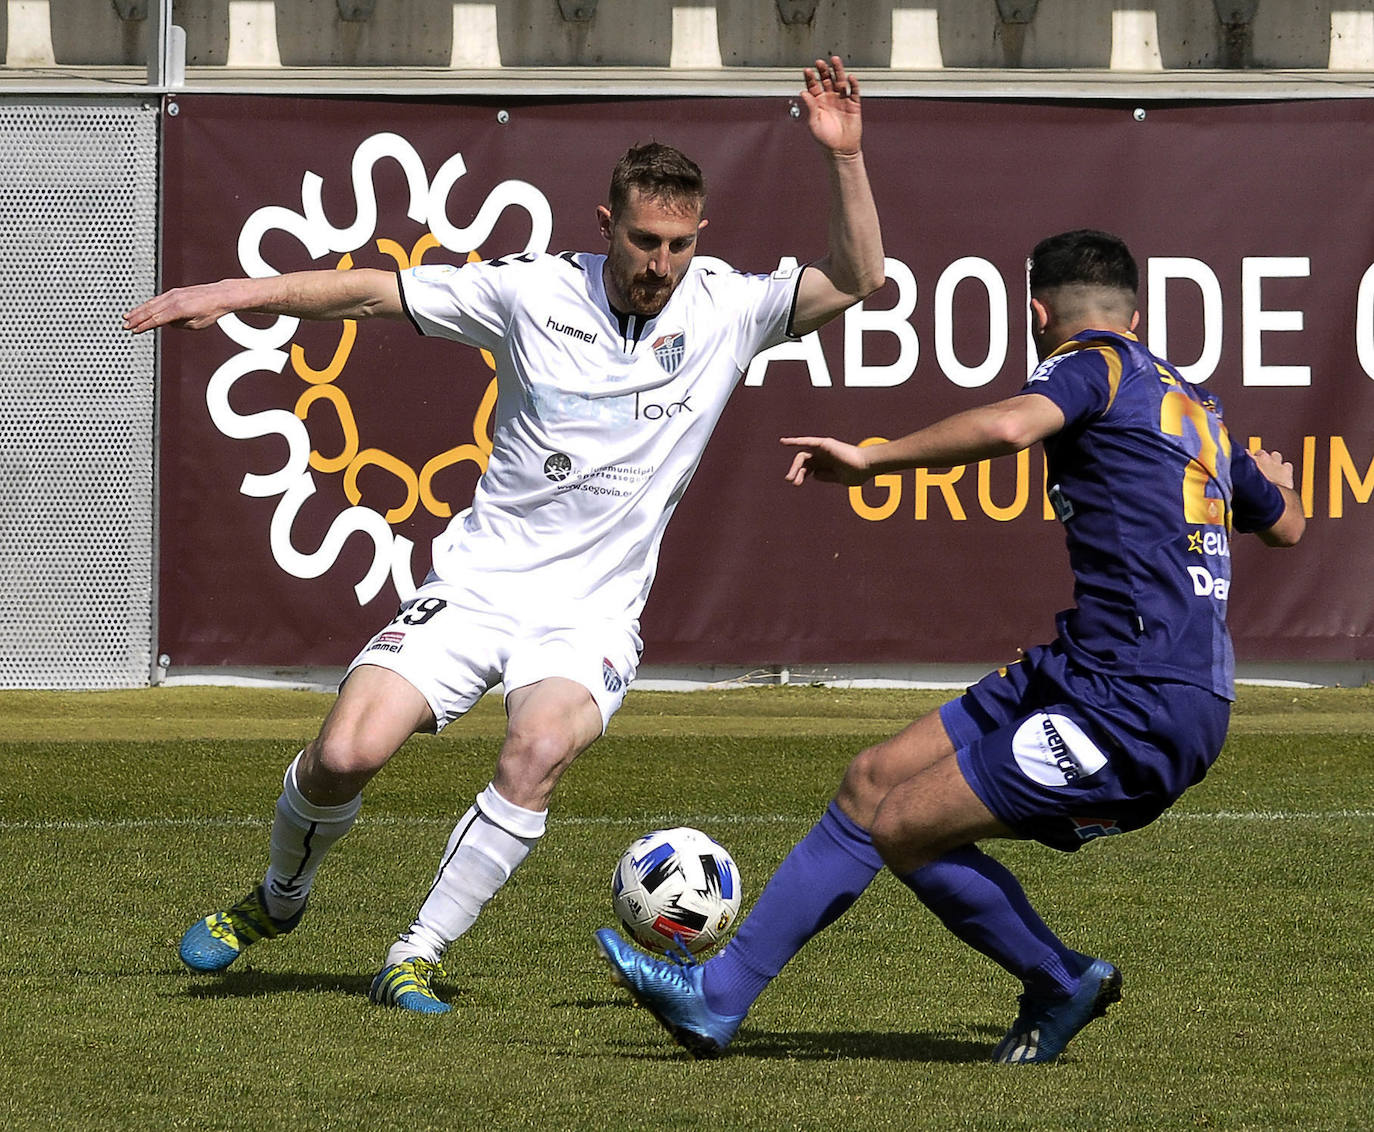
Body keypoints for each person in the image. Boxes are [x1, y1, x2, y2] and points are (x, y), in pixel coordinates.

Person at [124, 56, 884, 1013]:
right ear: (604, 226)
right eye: (645, 241)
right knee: (345, 754)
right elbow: (370, 291)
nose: (661, 265)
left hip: (591, 614)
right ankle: (278, 899)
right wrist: (234, 294)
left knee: (538, 748)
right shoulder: (532, 293)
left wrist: (843, 156)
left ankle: (415, 954)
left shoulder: (728, 306)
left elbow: (859, 277)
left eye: (681, 245)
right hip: (479, 585)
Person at [596, 228, 1306, 1063]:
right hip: (1087, 669)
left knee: (904, 825)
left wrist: (873, 460)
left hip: (1137, 704)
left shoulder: (1088, 366)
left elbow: (1008, 427)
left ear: (1035, 315)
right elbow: (1286, 526)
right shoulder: (1194, 405)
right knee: (873, 782)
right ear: (1138, 316)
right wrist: (1279, 485)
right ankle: (716, 1001)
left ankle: (1059, 980)